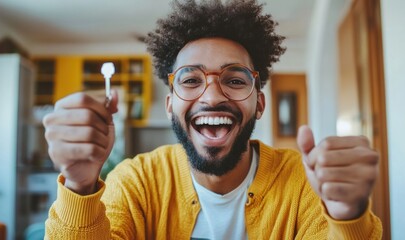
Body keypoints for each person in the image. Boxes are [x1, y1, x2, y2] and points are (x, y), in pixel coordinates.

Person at [43, 0, 382, 239]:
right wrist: (78, 186)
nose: (212, 96)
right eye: (190, 80)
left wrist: (346, 218)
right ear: (169, 104)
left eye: (235, 80)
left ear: (259, 103)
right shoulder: (136, 182)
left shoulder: (301, 184)